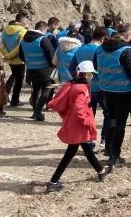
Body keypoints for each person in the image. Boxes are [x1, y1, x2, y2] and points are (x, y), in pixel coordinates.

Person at [45, 61, 109, 192]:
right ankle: (53, 182)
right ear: (87, 75)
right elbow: (79, 109)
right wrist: (87, 122)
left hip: (75, 125)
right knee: (74, 153)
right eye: (91, 75)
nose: (92, 77)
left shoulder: (74, 85)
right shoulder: (81, 89)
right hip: (79, 126)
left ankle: (101, 170)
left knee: (83, 150)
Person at [93, 23, 131, 169]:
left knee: (111, 119)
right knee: (120, 123)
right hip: (124, 92)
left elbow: (95, 66)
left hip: (106, 89)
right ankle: (114, 156)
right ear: (127, 35)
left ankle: (108, 148)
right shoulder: (127, 50)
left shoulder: (100, 48)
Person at [70, 27, 109, 149]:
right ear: (104, 38)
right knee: (108, 114)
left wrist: (79, 78)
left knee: (88, 115)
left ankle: (88, 140)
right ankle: (104, 140)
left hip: (86, 88)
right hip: (101, 87)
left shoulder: (80, 48)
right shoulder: (101, 50)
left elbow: (72, 67)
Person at [18, 20, 55, 122]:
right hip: (44, 69)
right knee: (47, 89)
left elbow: (21, 56)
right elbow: (51, 55)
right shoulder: (43, 39)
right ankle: (37, 112)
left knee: (35, 89)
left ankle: (36, 111)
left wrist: (29, 62)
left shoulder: (23, 40)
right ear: (43, 29)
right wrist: (52, 65)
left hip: (31, 69)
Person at [0, 12, 28, 107]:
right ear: (22, 20)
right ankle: (15, 100)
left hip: (10, 59)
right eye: (26, 20)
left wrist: (7, 55)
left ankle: (5, 95)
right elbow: (21, 46)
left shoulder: (6, 29)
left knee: (14, 75)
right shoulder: (23, 30)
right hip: (19, 59)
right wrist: (11, 55)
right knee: (19, 80)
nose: (27, 22)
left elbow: (1, 44)